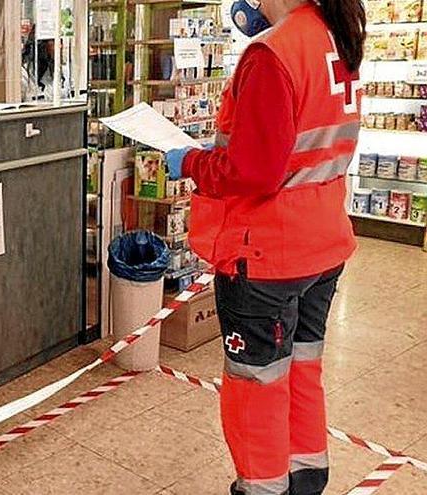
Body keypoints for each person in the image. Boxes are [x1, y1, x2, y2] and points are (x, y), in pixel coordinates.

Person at [163, 0, 366, 493]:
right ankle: (306, 476)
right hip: (322, 244)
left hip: (267, 254)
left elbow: (253, 174)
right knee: (301, 369)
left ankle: (263, 487)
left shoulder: (272, 53)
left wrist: (190, 162)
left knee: (256, 385)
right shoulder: (334, 35)